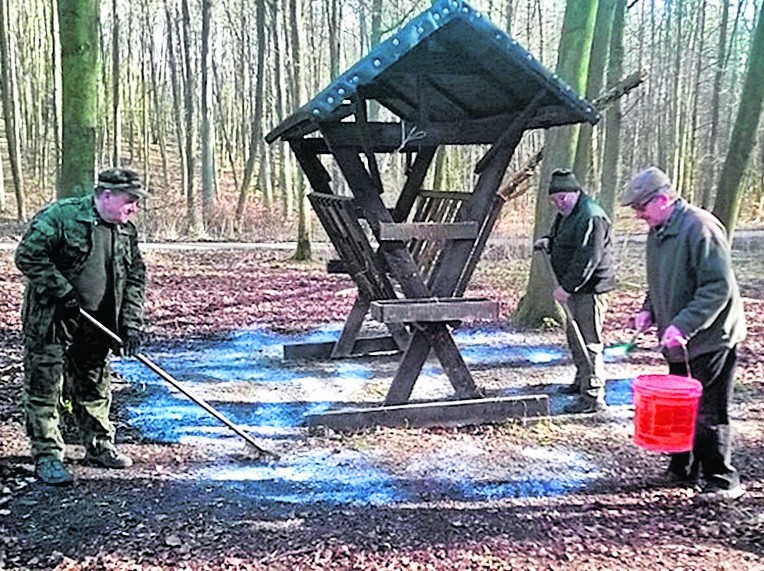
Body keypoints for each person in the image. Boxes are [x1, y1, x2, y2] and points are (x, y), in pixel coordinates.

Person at [15, 167, 148, 486]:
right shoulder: (62, 217)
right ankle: (47, 456)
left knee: (94, 387)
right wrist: (62, 291)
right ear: (106, 195)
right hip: (52, 322)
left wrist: (129, 324)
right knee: (45, 388)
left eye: (137, 202)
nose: (134, 208)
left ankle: (99, 445)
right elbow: (28, 256)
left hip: (98, 326)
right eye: (129, 201)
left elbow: (135, 276)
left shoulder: (126, 231)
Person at [622, 166, 747, 502]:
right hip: (678, 339)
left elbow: (717, 287)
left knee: (708, 409)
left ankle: (722, 479)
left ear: (663, 199)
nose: (638, 216)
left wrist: (684, 324)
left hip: (711, 336)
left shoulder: (700, 227)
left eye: (641, 207)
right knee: (680, 407)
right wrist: (649, 308)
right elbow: (659, 278)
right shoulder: (658, 230)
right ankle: (683, 468)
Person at [535, 168, 615, 414]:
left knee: (588, 341)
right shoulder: (567, 214)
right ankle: (582, 380)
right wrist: (549, 240)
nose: (559, 203)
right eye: (555, 199)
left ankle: (593, 395)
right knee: (574, 336)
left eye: (563, 197)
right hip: (574, 290)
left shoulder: (591, 216)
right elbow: (561, 237)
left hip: (590, 290)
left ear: (576, 192)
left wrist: (567, 288)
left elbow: (587, 258)